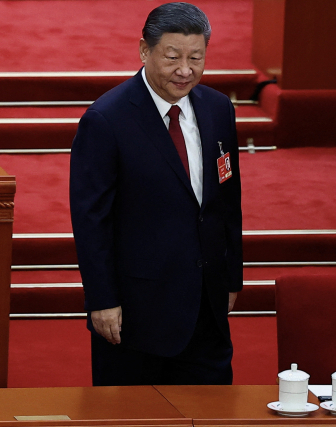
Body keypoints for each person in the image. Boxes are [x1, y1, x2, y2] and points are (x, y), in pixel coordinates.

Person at [69, 2, 243, 386]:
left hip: (206, 306)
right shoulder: (106, 119)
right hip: (137, 313)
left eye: (196, 57)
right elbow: (90, 221)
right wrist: (101, 299)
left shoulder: (218, 109)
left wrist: (232, 278)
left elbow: (228, 202)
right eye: (173, 57)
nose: (185, 70)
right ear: (145, 51)